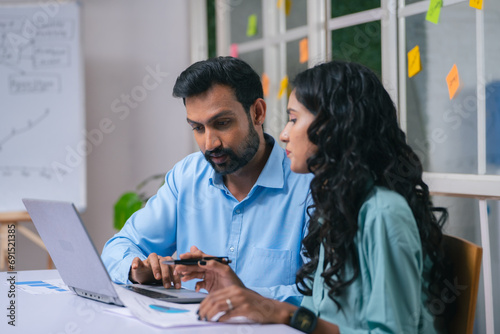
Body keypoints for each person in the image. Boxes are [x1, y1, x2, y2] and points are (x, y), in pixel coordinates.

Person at [176, 60, 452, 333]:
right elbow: (318, 312)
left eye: (294, 119)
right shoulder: (340, 205)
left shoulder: (383, 213)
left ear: (334, 126)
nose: (283, 134)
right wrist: (244, 292)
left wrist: (283, 313)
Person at [100, 56, 313, 304]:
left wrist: (243, 296)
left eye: (222, 123)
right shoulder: (188, 175)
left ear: (257, 112)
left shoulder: (308, 184)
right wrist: (136, 269)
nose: (210, 143)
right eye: (198, 128)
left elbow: (322, 297)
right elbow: (119, 246)